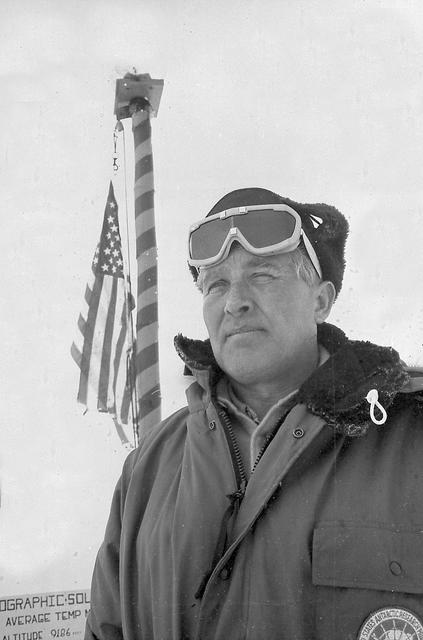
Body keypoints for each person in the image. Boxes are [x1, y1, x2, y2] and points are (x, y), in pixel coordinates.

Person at [85, 188, 423, 640]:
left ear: (321, 301)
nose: (234, 302)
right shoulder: (147, 469)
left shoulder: (410, 439)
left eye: (262, 275)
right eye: (216, 285)